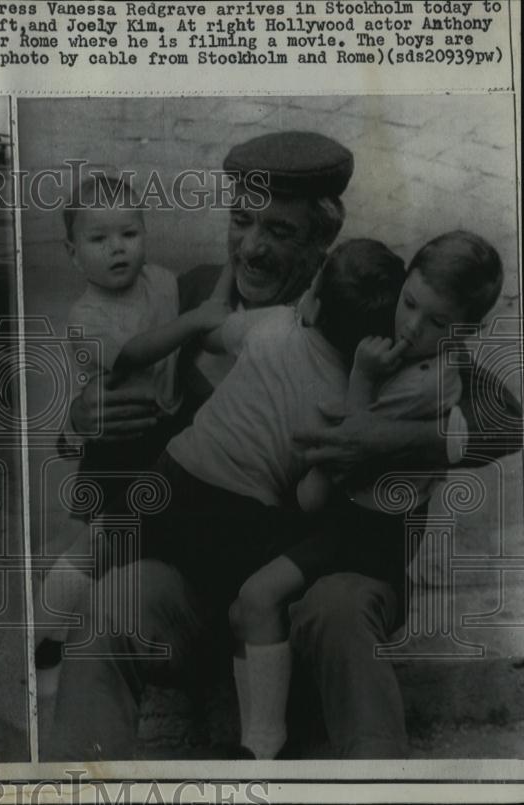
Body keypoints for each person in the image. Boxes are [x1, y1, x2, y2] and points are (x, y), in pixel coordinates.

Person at [45, 131, 522, 760]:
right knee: (110, 607)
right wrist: (78, 419)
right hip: (197, 579)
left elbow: (505, 418)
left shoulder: (372, 311)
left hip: (311, 586)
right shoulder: (188, 295)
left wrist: (381, 438)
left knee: (342, 608)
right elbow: (114, 382)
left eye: (278, 230)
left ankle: (381, 783)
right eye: (241, 221)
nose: (251, 247)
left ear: (323, 243)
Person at [230, 232, 503, 759]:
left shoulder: (423, 383)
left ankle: (263, 745)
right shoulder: (415, 351)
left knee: (258, 596)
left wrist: (358, 376)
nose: (412, 327)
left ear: (466, 332)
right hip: (352, 522)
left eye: (437, 322)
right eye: (409, 302)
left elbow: (343, 449)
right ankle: (263, 739)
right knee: (249, 603)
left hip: (365, 534)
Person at [63, 172, 232, 514]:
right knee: (110, 523)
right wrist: (196, 319)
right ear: (74, 253)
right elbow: (131, 354)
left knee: (165, 513)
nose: (117, 247)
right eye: (98, 238)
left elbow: (212, 306)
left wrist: (234, 261)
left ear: (145, 234)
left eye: (129, 234)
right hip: (115, 445)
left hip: (166, 429)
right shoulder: (85, 316)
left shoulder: (162, 280)